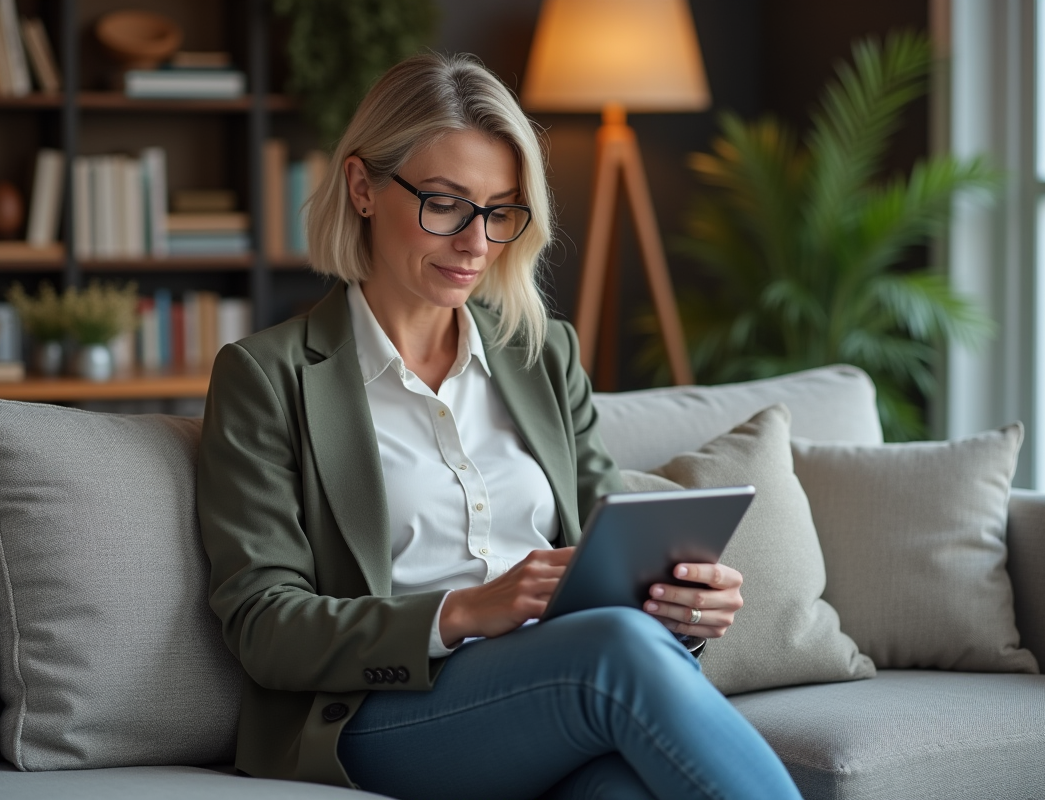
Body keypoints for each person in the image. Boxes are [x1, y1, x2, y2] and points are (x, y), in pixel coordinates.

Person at [197, 52, 803, 800]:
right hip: (382, 713)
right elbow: (264, 625)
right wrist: (464, 612)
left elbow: (611, 541)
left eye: (500, 210)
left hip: (554, 690)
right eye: (445, 204)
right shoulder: (268, 377)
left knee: (624, 787)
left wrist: (684, 606)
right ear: (362, 187)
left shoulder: (541, 353)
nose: (477, 243)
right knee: (614, 651)